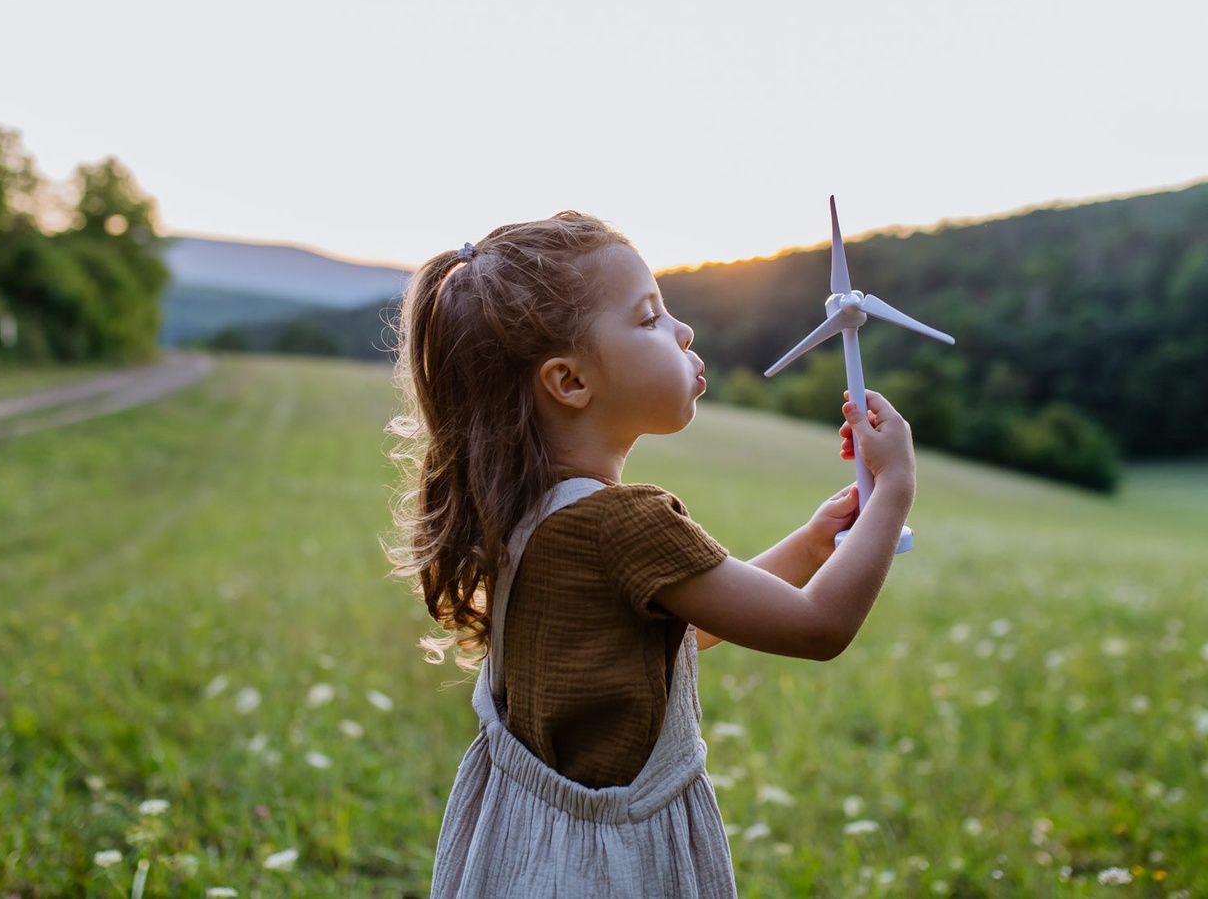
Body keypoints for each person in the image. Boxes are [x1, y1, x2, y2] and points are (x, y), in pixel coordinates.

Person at [386, 212, 916, 898]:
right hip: (608, 868)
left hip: (528, 850)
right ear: (570, 382)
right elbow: (817, 627)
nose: (683, 331)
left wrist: (816, 544)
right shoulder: (624, 521)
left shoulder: (528, 511)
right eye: (649, 318)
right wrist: (895, 489)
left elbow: (680, 632)